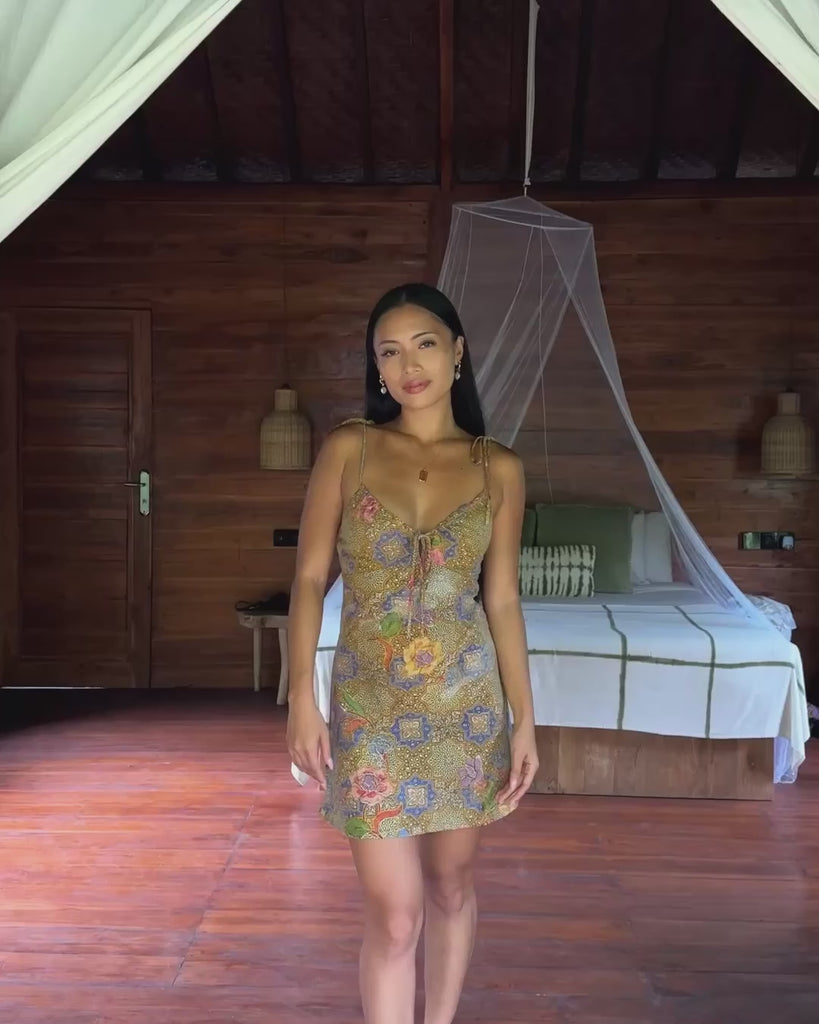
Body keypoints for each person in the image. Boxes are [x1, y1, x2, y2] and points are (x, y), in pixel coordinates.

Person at [286, 282, 538, 1024]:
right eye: (389, 352)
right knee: (394, 916)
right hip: (368, 708)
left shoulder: (499, 468)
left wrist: (524, 719)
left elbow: (502, 600)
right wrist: (301, 698)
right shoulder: (350, 448)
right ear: (377, 367)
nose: (408, 365)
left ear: (458, 352)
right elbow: (308, 579)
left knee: (451, 888)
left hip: (467, 708)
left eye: (424, 344)